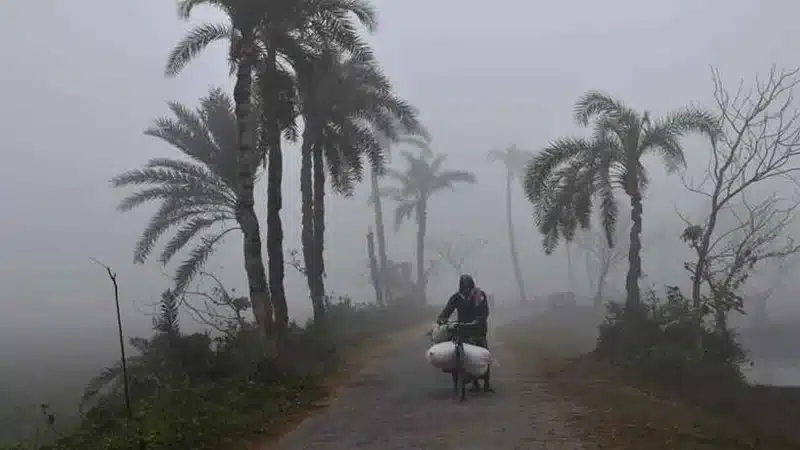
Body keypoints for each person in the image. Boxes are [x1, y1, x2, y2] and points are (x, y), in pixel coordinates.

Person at [436, 274, 494, 393]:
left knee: (483, 353)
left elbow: (485, 311)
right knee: (457, 350)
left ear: (472, 284)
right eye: (464, 285)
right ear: (460, 286)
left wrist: (479, 319)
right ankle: (473, 382)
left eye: (468, 285)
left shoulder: (479, 295)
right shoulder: (456, 297)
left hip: (478, 328)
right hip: (462, 328)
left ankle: (487, 383)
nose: (466, 288)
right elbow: (447, 311)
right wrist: (442, 318)